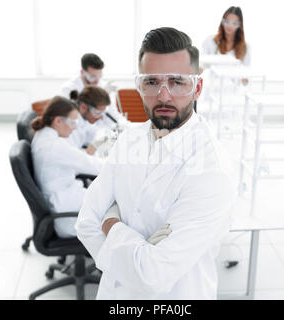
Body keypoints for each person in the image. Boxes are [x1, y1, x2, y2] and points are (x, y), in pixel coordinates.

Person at [76, 27, 236, 300]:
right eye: (152, 82)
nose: (163, 95)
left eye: (177, 81)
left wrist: (112, 222)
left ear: (197, 87)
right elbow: (86, 223)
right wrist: (139, 249)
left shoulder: (212, 168)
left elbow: (153, 276)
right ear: (139, 86)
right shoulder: (129, 140)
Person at [31, 96, 104, 238]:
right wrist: (121, 163)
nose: (75, 127)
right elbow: (94, 166)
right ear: (58, 121)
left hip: (65, 200)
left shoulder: (43, 136)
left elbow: (78, 160)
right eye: (73, 122)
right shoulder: (53, 146)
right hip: (67, 215)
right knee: (118, 204)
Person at [67, 85, 114, 155]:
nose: (101, 117)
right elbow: (71, 159)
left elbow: (94, 132)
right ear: (83, 107)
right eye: (97, 113)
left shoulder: (84, 120)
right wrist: (89, 151)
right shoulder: (70, 125)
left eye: (102, 113)